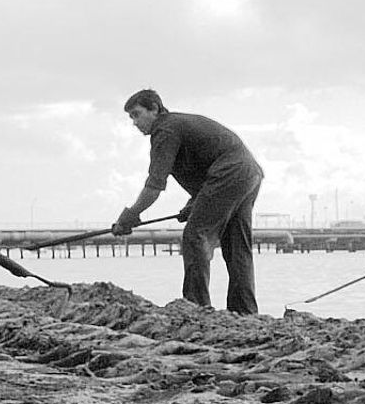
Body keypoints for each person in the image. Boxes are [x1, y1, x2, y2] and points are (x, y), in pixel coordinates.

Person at [112, 89, 264, 314]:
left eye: (137, 114)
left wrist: (129, 216)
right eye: (131, 117)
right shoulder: (176, 125)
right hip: (249, 172)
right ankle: (245, 311)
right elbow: (206, 165)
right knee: (236, 245)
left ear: (154, 109)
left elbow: (154, 185)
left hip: (230, 172)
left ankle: (195, 307)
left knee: (195, 236)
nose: (134, 123)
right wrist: (195, 203)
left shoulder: (165, 130)